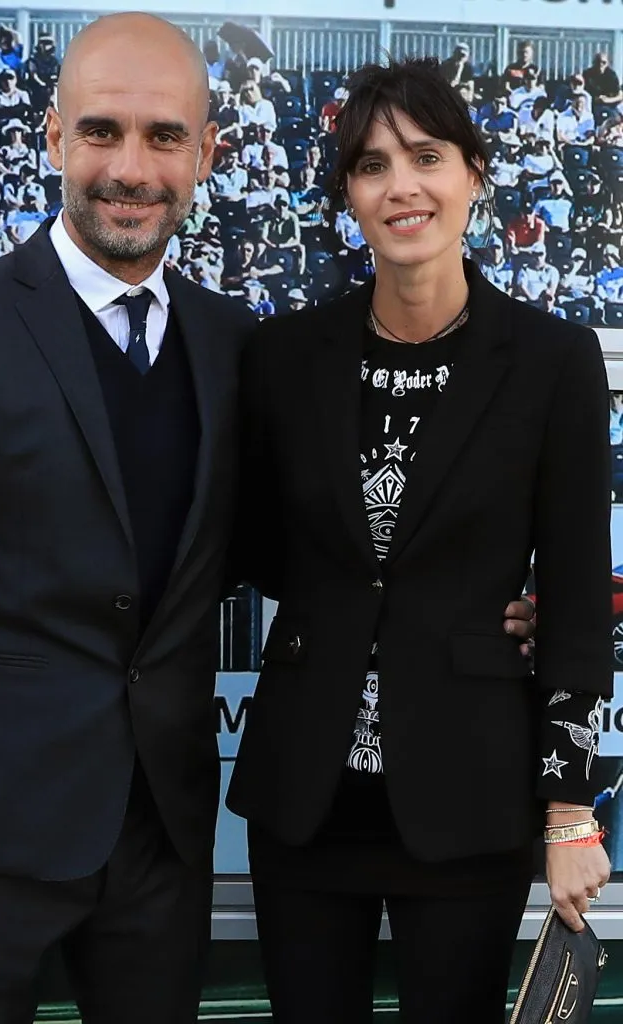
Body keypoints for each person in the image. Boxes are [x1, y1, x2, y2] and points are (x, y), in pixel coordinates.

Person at [0, 14, 258, 1024]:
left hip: (161, 844)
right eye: (102, 131)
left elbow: (274, 549)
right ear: (56, 137)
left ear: (206, 154)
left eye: (164, 137)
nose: (130, 168)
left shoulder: (232, 342)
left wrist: (495, 599)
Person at [227, 57, 610, 1024]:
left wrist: (570, 812)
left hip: (471, 790)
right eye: (372, 165)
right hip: (305, 799)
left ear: (473, 173)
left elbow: (574, 597)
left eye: (427, 156)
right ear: (348, 195)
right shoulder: (283, 358)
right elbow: (258, 550)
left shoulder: (552, 361)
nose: (402, 186)